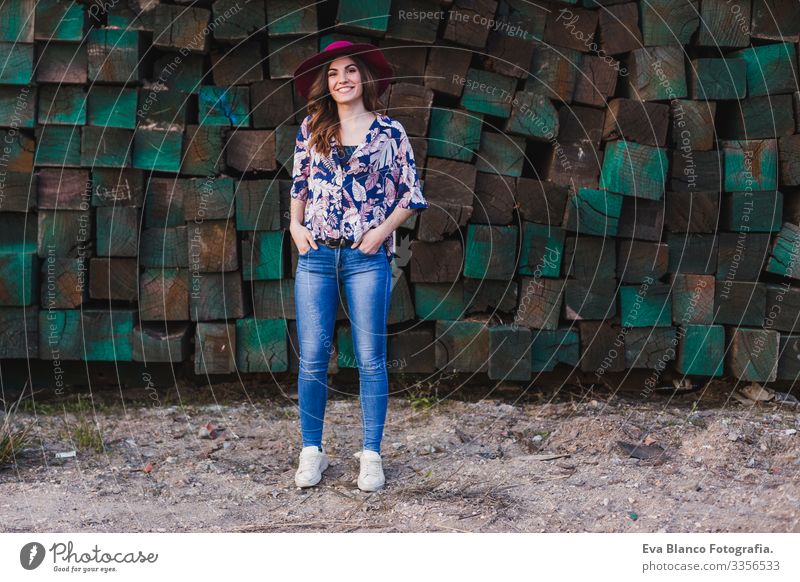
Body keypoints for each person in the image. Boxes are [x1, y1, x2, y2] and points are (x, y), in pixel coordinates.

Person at [289, 41, 429, 491]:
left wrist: (382, 231)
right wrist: (294, 226)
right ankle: (312, 451)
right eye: (333, 74)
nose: (341, 80)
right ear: (326, 85)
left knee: (370, 358)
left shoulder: (390, 132)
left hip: (366, 258)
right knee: (312, 357)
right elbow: (299, 184)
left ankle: (371, 455)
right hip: (315, 256)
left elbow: (411, 194)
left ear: (365, 79)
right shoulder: (312, 128)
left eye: (350, 71)